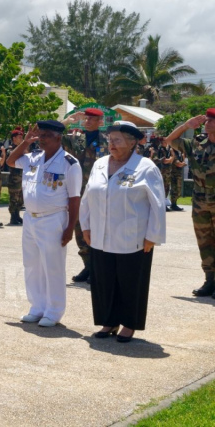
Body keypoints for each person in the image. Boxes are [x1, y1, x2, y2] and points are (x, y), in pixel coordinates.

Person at [80, 121, 165, 343]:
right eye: (110, 140)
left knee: (130, 282)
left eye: (117, 140)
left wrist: (152, 236)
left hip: (133, 237)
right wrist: (85, 225)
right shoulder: (99, 164)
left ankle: (129, 323)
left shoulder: (146, 167)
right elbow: (88, 197)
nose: (112, 145)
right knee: (104, 281)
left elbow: (157, 205)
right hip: (101, 234)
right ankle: (109, 321)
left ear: (132, 143)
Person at [7, 121, 81, 327]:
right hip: (30, 218)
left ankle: (54, 310)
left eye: (46, 135)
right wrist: (25, 142)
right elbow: (11, 162)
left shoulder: (69, 163)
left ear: (58, 137)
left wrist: (69, 228)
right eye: (40, 135)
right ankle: (37, 307)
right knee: (31, 264)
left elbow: (75, 198)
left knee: (53, 266)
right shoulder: (33, 158)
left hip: (53, 219)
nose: (41, 139)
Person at [165, 110, 215, 297]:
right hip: (200, 201)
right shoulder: (197, 144)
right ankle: (210, 280)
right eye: (206, 120)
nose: (206, 123)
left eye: (211, 121)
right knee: (205, 242)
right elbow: (170, 140)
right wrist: (187, 125)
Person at [61, 107, 109, 283]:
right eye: (86, 119)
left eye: (91, 119)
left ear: (100, 122)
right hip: (77, 190)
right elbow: (53, 133)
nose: (87, 122)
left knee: (99, 227)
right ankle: (88, 265)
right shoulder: (75, 138)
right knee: (80, 228)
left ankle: (98, 267)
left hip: (99, 190)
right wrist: (68, 121)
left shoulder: (108, 141)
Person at [5, 127, 25, 226]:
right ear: (14, 139)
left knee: (20, 198)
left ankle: (17, 215)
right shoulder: (10, 149)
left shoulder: (24, 149)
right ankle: (13, 217)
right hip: (15, 179)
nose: (21, 139)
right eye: (19, 137)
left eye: (22, 137)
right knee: (14, 198)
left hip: (22, 178)